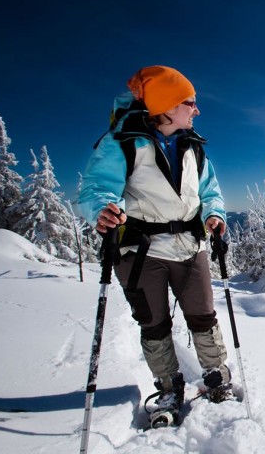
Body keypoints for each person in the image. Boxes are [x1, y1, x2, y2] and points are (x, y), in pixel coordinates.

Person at [79, 65, 234, 426]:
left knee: (202, 315)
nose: (197, 110)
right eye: (190, 103)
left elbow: (210, 191)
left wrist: (214, 214)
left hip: (190, 247)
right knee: (154, 323)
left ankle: (214, 373)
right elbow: (96, 188)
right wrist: (103, 209)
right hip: (141, 251)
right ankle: (168, 385)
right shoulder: (122, 143)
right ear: (166, 105)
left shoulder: (192, 146)